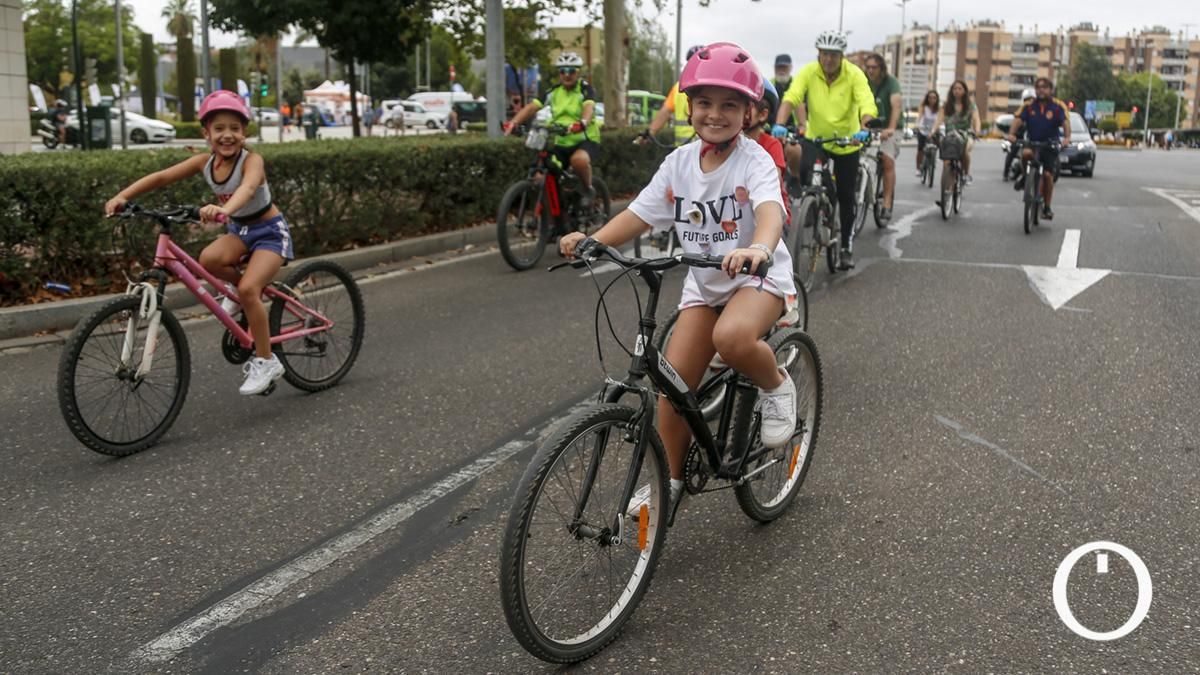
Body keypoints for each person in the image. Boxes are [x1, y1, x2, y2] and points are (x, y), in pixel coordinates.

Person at [558, 42, 798, 511]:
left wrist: (758, 248)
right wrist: (595, 240)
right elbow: (640, 214)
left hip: (758, 279)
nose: (716, 114)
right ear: (689, 107)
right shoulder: (679, 164)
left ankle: (776, 383)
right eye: (705, 103)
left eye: (730, 104)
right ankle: (667, 482)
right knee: (673, 385)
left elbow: (770, 213)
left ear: (748, 112)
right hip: (706, 285)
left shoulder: (755, 161)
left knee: (732, 338)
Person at [103, 90, 293, 395]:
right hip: (240, 232)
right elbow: (161, 177)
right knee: (209, 260)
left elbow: (247, 188)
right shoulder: (205, 162)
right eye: (219, 129)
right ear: (206, 133)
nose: (227, 135)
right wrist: (124, 196)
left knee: (248, 289)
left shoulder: (252, 160)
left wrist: (223, 210)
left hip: (270, 232)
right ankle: (240, 292)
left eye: (235, 128)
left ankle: (267, 360)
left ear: (245, 132)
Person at [773, 29, 877, 270]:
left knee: (846, 194)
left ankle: (845, 246)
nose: (828, 59)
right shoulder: (809, 71)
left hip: (847, 141)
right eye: (824, 54)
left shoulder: (854, 74)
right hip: (816, 138)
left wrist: (864, 127)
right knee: (814, 181)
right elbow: (792, 96)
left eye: (833, 54)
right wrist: (779, 123)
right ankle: (820, 204)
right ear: (818, 54)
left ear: (842, 56)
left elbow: (866, 102)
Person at [505, 52, 601, 202]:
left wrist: (583, 122)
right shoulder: (553, 91)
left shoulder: (585, 89)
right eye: (563, 71)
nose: (567, 75)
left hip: (585, 139)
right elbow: (532, 107)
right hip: (562, 141)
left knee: (578, 160)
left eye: (571, 71)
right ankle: (552, 215)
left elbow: (588, 108)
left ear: (578, 72)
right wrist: (514, 123)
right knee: (540, 173)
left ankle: (588, 189)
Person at [1008, 76, 1070, 220]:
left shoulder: (1058, 106)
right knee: (1026, 154)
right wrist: (1011, 134)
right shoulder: (1029, 105)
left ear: (1050, 90)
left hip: (1050, 144)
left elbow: (1065, 122)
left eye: (1044, 87)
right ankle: (1025, 176)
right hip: (1033, 142)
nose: (1041, 90)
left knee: (1048, 176)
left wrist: (1066, 138)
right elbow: (1018, 119)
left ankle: (1047, 207)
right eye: (1038, 87)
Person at [863, 52, 901, 223]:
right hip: (869, 127)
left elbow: (896, 105)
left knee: (887, 160)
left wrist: (891, 128)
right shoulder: (864, 81)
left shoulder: (891, 82)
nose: (870, 70)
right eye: (868, 67)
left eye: (874, 67)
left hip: (890, 129)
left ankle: (886, 203)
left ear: (881, 68)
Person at [643, 45, 705, 146]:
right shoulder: (713, 88)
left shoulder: (678, 87)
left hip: (683, 152)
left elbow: (665, 112)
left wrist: (650, 133)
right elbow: (665, 112)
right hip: (704, 151)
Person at [934, 79, 981, 190]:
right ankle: (946, 191)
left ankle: (966, 174)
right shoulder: (946, 106)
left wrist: (977, 131)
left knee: (965, 150)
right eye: (955, 88)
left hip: (965, 134)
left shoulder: (971, 106)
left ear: (964, 91)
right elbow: (938, 120)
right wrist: (933, 131)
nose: (957, 91)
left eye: (960, 88)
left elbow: (976, 120)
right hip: (950, 135)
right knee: (946, 160)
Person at [1003, 88, 1035, 181]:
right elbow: (1016, 123)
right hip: (1020, 136)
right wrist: (1012, 135)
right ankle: (1006, 173)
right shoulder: (1022, 111)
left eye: (1032, 99)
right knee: (1012, 152)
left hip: (1033, 138)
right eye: (1027, 99)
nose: (1029, 101)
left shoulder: (1039, 110)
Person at [915, 90, 939, 177]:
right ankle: (918, 168)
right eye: (930, 98)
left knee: (938, 144)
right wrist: (917, 124)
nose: (932, 100)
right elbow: (920, 115)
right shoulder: (924, 107)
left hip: (933, 131)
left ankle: (933, 159)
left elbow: (940, 120)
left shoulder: (939, 109)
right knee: (920, 149)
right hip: (923, 130)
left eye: (934, 98)